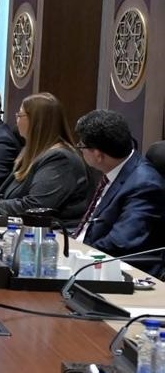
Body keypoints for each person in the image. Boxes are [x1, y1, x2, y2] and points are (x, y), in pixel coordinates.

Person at [73, 110, 165, 275]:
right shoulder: (115, 169)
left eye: (81, 146)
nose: (80, 149)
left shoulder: (145, 185)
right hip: (87, 256)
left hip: (118, 272)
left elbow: (120, 243)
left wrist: (75, 256)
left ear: (98, 154)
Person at [0, 93, 96, 227]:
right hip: (22, 227)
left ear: (36, 122)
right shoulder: (32, 152)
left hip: (54, 234)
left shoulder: (60, 159)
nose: (16, 120)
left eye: (20, 115)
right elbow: (2, 193)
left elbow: (36, 206)